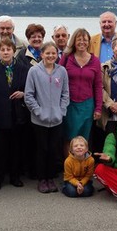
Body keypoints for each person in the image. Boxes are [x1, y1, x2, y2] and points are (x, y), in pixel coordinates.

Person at [0, 38, 30, 190]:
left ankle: (15, 176)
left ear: (13, 51)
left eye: (8, 49)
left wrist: (23, 93)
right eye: (2, 50)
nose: (5, 52)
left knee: (16, 148)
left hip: (18, 114)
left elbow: (29, 89)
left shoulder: (23, 68)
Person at [24, 42, 70, 193]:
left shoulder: (61, 71)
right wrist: (38, 112)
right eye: (47, 53)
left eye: (53, 53)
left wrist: (61, 111)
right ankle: (42, 179)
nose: (51, 56)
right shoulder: (34, 71)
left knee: (53, 150)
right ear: (42, 54)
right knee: (41, 149)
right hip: (39, 120)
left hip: (56, 119)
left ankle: (50, 178)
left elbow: (65, 94)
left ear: (57, 55)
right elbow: (29, 95)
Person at [59, 28, 103, 151]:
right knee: (69, 138)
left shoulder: (95, 61)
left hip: (87, 105)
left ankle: (83, 168)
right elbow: (58, 79)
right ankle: (69, 168)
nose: (82, 42)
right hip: (69, 104)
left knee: (84, 139)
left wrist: (98, 108)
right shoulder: (67, 58)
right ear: (73, 41)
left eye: (85, 40)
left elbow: (98, 86)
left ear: (89, 42)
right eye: (79, 39)